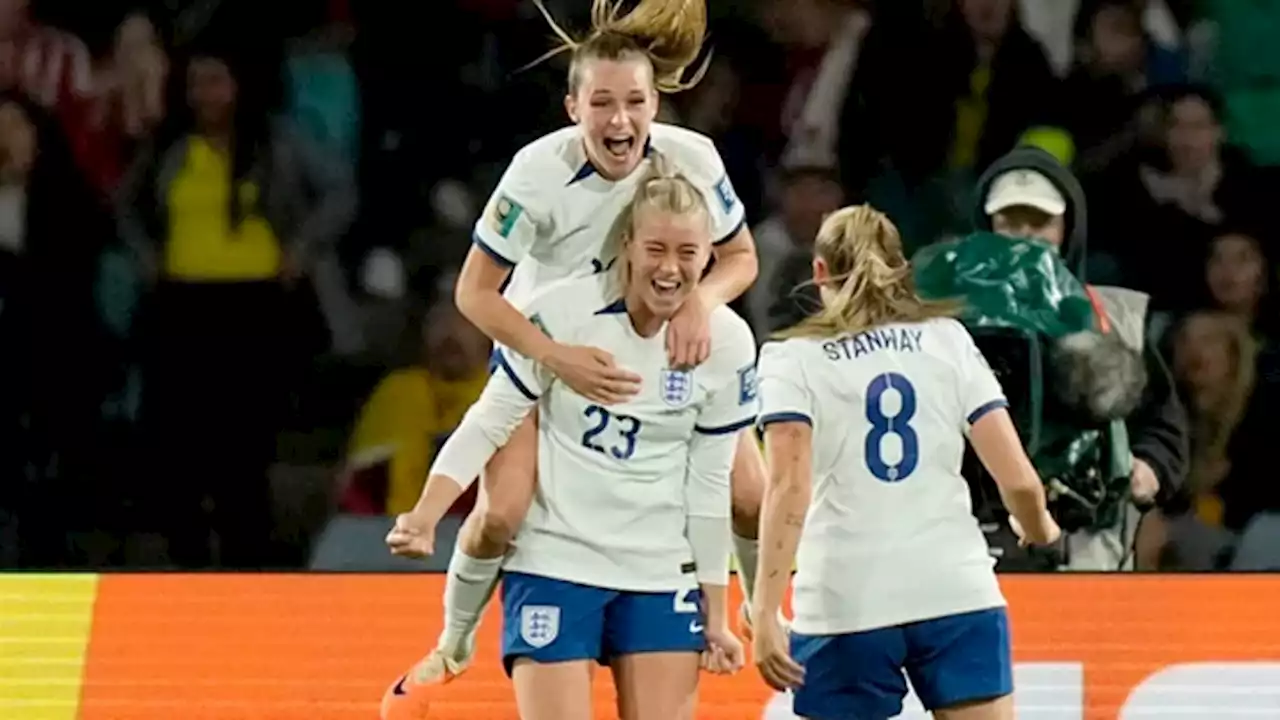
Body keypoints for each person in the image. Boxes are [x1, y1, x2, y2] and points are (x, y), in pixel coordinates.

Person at [382, 0, 768, 698]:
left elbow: (741, 257)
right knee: (503, 512)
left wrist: (701, 304)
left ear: (657, 104)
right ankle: (456, 638)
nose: (619, 122)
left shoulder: (692, 160)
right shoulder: (536, 173)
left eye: (634, 103)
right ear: (573, 107)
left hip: (651, 343)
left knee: (748, 491)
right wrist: (553, 357)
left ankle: (753, 611)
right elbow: (474, 294)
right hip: (547, 345)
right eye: (602, 104)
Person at [748, 204, 1062, 720]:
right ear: (901, 268)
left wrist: (763, 612)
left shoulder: (790, 359)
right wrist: (1038, 527)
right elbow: (1022, 483)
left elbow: (788, 490)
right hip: (955, 590)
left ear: (819, 272)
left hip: (844, 601)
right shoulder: (948, 340)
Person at [970, 145, 1187, 570]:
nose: (1025, 235)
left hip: (1091, 545)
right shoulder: (950, 325)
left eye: (1040, 221)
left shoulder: (1118, 318)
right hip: (977, 546)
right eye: (1009, 221)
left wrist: (1149, 470)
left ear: (1068, 228)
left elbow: (1163, 423)